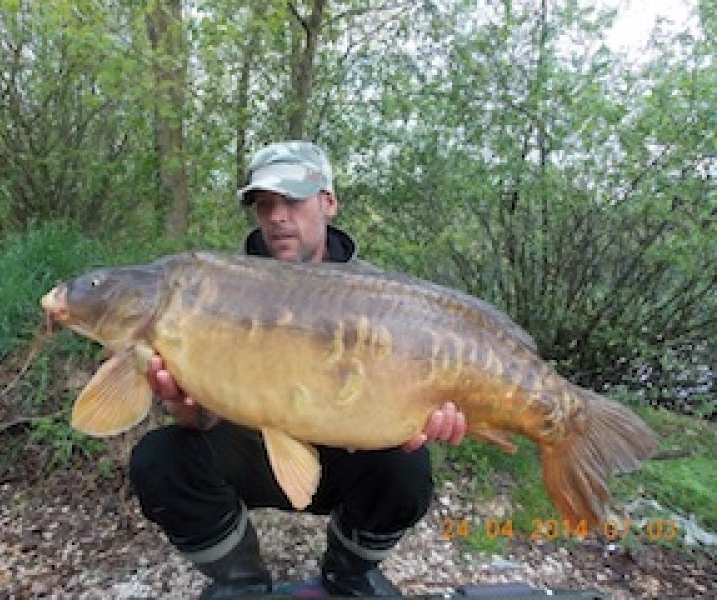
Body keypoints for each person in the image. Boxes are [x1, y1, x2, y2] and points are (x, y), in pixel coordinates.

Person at [129, 141, 467, 598]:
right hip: (253, 450)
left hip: (347, 452)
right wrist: (186, 407)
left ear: (328, 202)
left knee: (407, 468)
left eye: (292, 200)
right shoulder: (216, 290)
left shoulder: (379, 294)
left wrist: (433, 414)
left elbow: (411, 397)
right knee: (160, 459)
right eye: (265, 204)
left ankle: (349, 572)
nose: (277, 216)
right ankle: (240, 579)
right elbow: (203, 420)